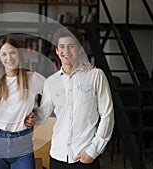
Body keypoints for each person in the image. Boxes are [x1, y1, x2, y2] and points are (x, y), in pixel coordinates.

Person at [35, 27, 114, 169]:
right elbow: (42, 115)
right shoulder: (51, 82)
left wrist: (93, 150)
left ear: (79, 49)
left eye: (71, 46)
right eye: (62, 47)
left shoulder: (96, 75)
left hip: (85, 155)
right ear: (57, 51)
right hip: (58, 155)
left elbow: (107, 115)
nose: (66, 51)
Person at [0, 36, 46, 169]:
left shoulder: (33, 78)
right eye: (3, 54)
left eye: (13, 53)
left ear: (19, 55)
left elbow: (56, 93)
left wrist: (37, 115)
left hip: (22, 142)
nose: (9, 58)